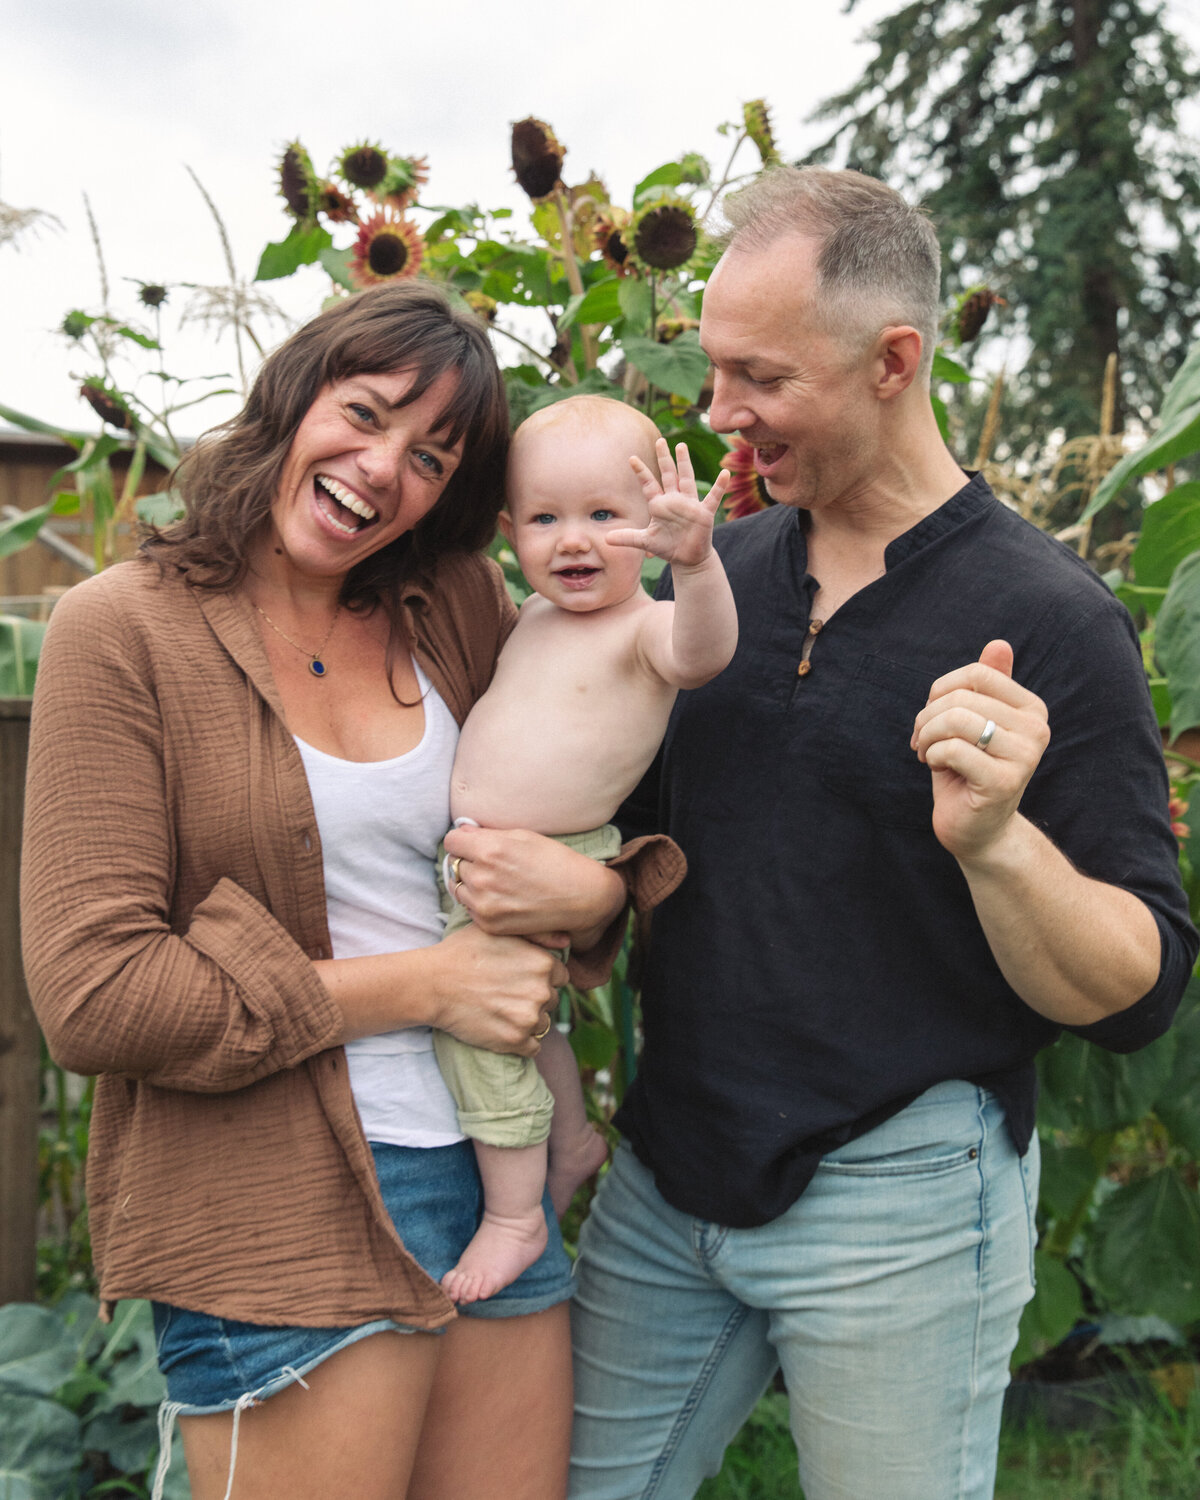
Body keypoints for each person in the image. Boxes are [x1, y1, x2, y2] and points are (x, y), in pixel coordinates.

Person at [567, 167, 1198, 1500]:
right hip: (672, 1170)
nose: (721, 411)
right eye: (716, 369)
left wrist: (998, 842)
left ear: (892, 363)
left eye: (761, 378)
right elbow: (629, 843)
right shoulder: (718, 581)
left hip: (902, 1192)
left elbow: (1139, 989)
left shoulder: (1054, 620)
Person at [21, 283, 672, 1500]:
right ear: (292, 396)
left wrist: (592, 900)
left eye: (431, 456)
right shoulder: (123, 632)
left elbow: (574, 821)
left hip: (491, 1176)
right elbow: (95, 996)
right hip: (275, 1197)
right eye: (364, 414)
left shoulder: (460, 609)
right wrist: (428, 984)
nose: (383, 470)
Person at [435, 395, 737, 1304]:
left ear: (652, 525)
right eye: (545, 518)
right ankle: (568, 1137)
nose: (575, 541)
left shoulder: (644, 628)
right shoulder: (530, 618)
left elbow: (706, 654)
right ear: (507, 531)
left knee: (478, 1030)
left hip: (553, 860)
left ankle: (516, 1215)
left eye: (607, 516)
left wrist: (699, 564)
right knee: (532, 1025)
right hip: (492, 863)